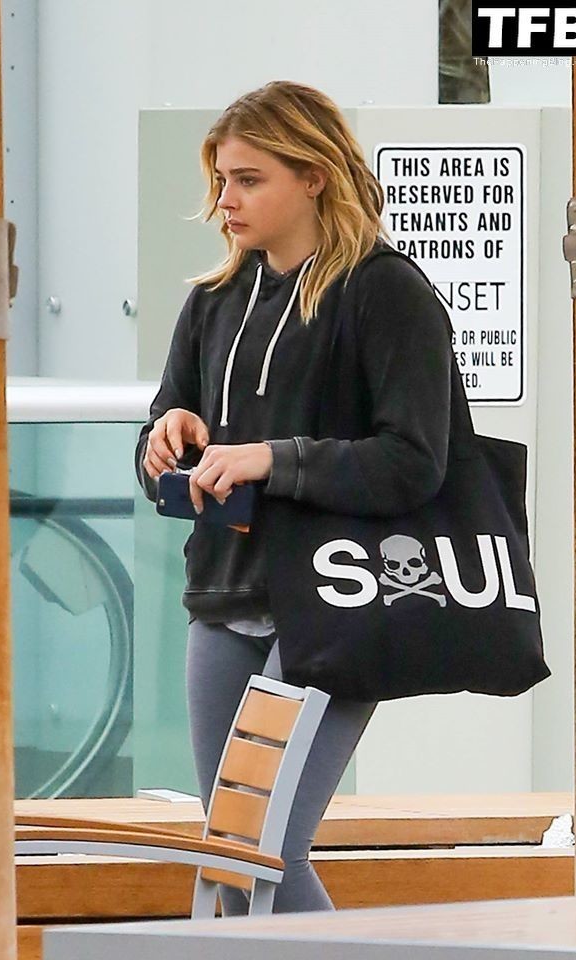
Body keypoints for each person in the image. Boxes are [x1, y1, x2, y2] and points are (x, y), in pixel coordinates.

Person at [135, 80, 454, 914]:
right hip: (224, 595)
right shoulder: (212, 300)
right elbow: (158, 442)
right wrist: (165, 439)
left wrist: (270, 461)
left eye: (249, 179)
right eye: (220, 180)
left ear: (314, 175)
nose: (226, 201)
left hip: (333, 602)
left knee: (264, 850)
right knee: (231, 857)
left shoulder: (386, 291)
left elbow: (414, 461)